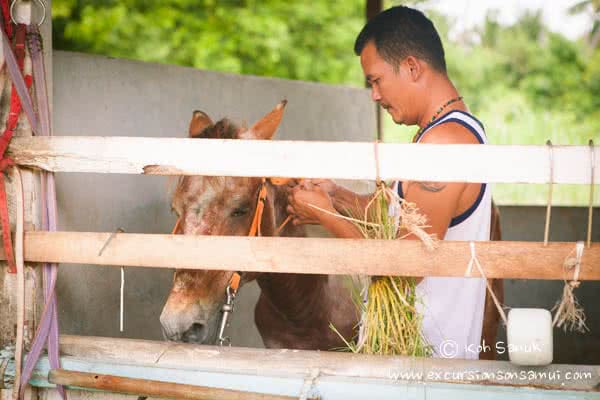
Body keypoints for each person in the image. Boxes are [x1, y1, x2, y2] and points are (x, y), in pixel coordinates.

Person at [286, 5, 492, 360]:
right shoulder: (439, 134)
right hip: (412, 359)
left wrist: (326, 217)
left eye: (376, 80)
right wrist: (337, 196)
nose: (374, 96)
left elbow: (403, 271)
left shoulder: (445, 144)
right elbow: (399, 215)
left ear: (411, 67)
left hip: (428, 365)